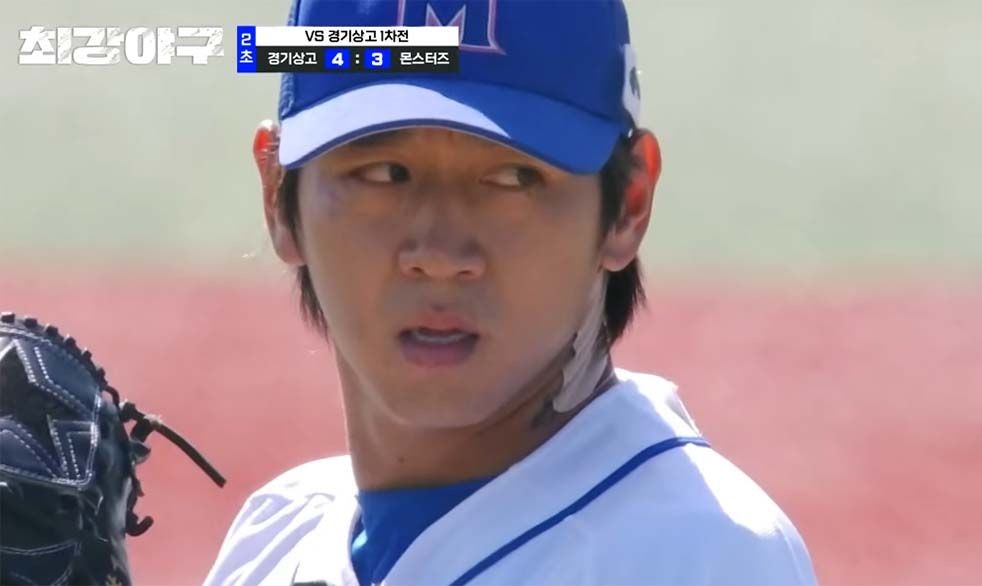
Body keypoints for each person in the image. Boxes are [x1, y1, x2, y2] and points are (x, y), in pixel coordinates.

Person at [205, 0, 817, 584]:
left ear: (628, 205)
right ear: (277, 195)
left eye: (513, 178)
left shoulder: (697, 556)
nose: (440, 255)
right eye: (385, 174)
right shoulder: (272, 538)